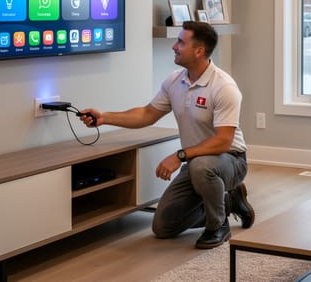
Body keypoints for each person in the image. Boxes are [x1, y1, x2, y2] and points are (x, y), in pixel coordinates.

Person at [79, 21, 254, 249]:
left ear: (199, 51)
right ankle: (228, 201)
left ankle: (218, 226)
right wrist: (104, 117)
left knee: (202, 166)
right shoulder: (175, 80)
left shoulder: (223, 87)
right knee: (163, 227)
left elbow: (223, 141)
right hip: (195, 162)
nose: (174, 46)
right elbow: (147, 114)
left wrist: (180, 156)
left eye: (181, 42)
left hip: (231, 160)